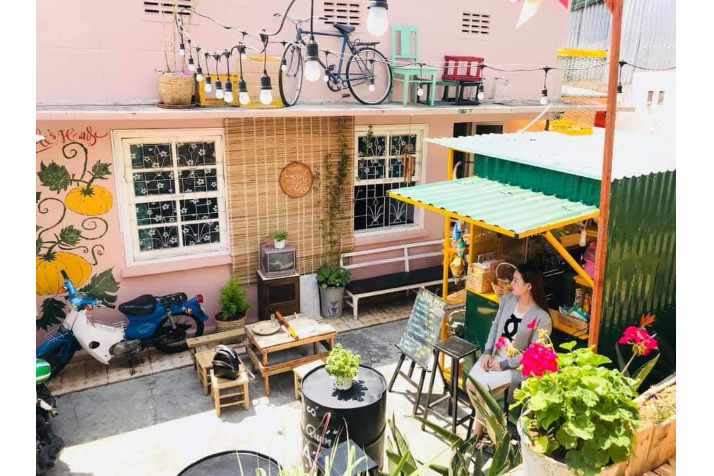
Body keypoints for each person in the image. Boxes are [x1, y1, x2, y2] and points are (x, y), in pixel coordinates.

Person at [466, 262, 552, 439]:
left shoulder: (542, 317)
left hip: (515, 366)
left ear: (528, 286)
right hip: (494, 356)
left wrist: (504, 364)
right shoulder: (507, 300)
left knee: (481, 391)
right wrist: (487, 352)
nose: (511, 284)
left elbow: (533, 353)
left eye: (515, 280)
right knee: (469, 384)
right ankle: (493, 429)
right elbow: (495, 326)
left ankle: (478, 434)